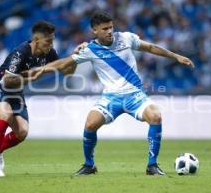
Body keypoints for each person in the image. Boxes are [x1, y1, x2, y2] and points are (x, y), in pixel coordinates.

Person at [28, 11, 194, 176]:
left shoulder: (126, 38)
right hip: (111, 98)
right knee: (90, 124)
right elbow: (65, 62)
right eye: (105, 28)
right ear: (95, 31)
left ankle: (152, 165)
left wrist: (176, 56)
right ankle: (89, 165)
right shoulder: (90, 49)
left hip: (135, 95)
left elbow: (151, 47)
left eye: (111, 27)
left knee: (155, 116)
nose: (109, 31)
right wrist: (41, 70)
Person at [0, 20, 79, 177]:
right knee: (5, 114)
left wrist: (76, 57)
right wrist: (34, 76)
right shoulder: (20, 52)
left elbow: (68, 72)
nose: (50, 44)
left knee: (22, 132)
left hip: (16, 91)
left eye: (52, 40)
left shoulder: (49, 52)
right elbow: (8, 80)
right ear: (36, 39)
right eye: (48, 41)